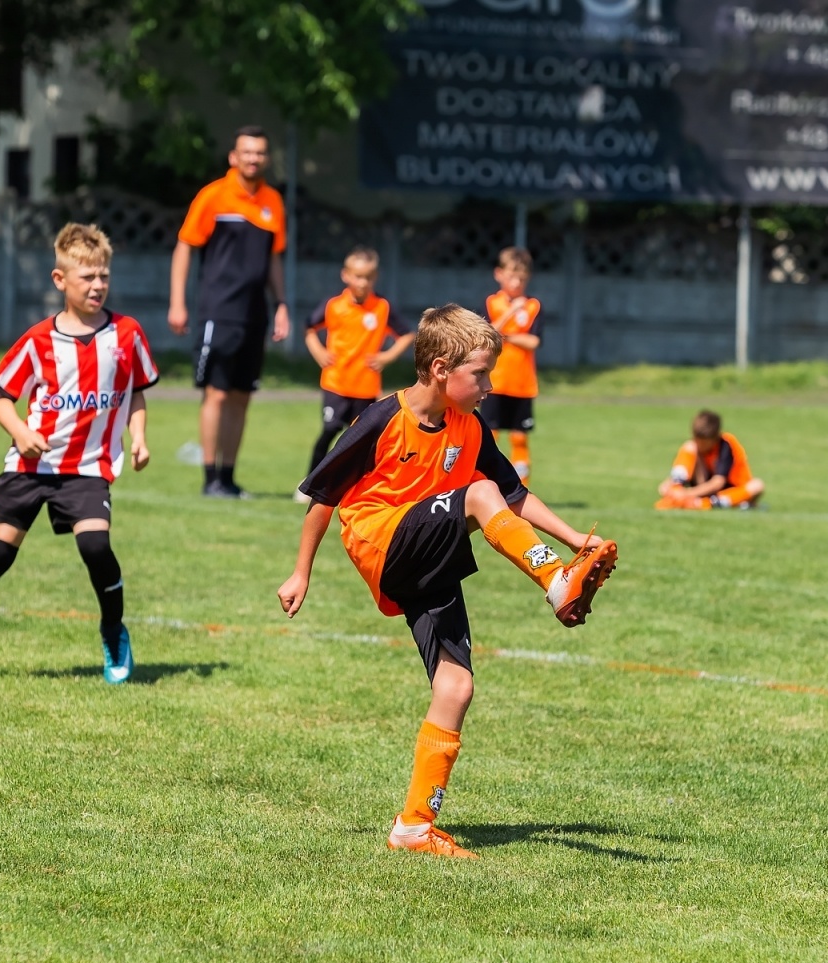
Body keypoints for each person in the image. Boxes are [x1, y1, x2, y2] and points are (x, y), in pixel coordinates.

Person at [277, 304, 618, 859]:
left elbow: (514, 495)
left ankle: (413, 826)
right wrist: (301, 571)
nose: (489, 385)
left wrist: (578, 538)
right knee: (476, 494)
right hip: (382, 541)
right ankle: (557, 583)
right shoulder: (382, 418)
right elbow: (323, 496)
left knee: (456, 687)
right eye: (480, 374)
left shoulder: (470, 426)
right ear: (440, 369)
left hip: (428, 553)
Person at [0, 223, 158, 684]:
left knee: (96, 545)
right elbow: (1, 398)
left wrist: (139, 437)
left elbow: (136, 393)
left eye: (104, 277)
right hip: (32, 465)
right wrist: (19, 431)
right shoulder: (38, 341)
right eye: (87, 278)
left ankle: (114, 635)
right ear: (60, 281)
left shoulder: (127, 334)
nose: (97, 286)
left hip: (88, 469)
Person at [169, 126, 290, 499]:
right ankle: (210, 479)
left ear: (266, 159)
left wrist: (281, 304)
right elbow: (185, 247)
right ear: (233, 157)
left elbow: (272, 260)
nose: (253, 159)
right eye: (247, 152)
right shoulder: (213, 197)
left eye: (260, 153)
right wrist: (178, 302)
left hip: (255, 315)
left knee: (241, 396)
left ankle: (229, 477)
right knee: (217, 394)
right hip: (218, 312)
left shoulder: (273, 201)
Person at [295, 246, 416, 500]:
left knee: (363, 440)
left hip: (366, 386)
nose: (363, 282)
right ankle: (310, 482)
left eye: (368, 277)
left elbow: (407, 333)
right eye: (358, 276)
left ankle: (360, 489)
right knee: (329, 430)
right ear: (345, 275)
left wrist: (387, 356)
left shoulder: (381, 307)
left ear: (375, 277)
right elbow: (308, 329)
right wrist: (318, 351)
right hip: (336, 382)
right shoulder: (333, 306)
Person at [482, 247, 543, 485]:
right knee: (489, 435)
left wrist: (506, 335)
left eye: (522, 278)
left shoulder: (534, 306)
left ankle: (521, 486)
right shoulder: (491, 303)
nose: (517, 282)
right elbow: (488, 332)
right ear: (499, 274)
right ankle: (486, 482)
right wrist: (510, 313)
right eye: (511, 276)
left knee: (519, 437)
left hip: (522, 384)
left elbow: (534, 341)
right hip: (493, 383)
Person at [655, 409, 766, 510]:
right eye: (697, 439)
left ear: (714, 438)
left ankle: (703, 503)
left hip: (729, 489)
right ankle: (677, 493)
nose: (699, 444)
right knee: (689, 447)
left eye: (703, 442)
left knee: (757, 486)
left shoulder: (726, 445)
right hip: (703, 489)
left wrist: (688, 493)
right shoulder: (694, 446)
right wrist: (670, 484)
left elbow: (718, 482)